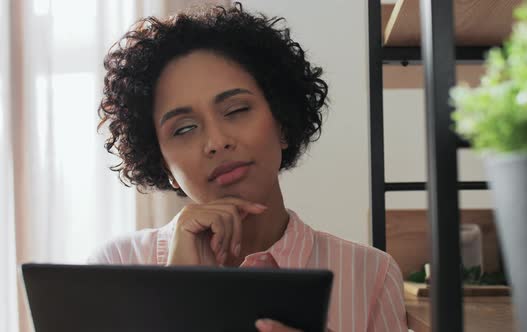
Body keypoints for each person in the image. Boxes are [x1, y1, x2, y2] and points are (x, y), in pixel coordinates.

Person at [89, 3, 407, 331]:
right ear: (163, 164)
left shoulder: (370, 275)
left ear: (282, 123)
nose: (216, 141)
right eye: (183, 129)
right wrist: (179, 290)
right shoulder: (116, 266)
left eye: (237, 109)